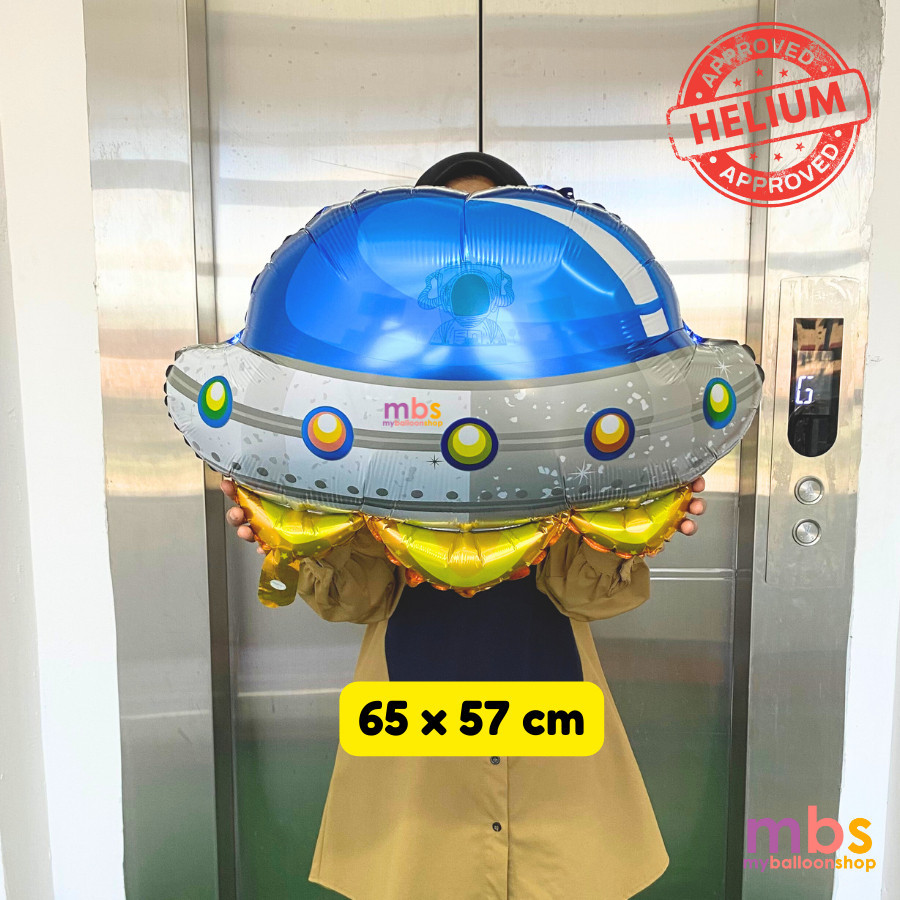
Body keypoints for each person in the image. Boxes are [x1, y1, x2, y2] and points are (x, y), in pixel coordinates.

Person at [221, 152, 708, 900]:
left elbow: (589, 598)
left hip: (558, 761)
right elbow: (358, 600)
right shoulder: (359, 430)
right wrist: (297, 535)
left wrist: (635, 524)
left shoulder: (577, 426)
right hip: (413, 768)